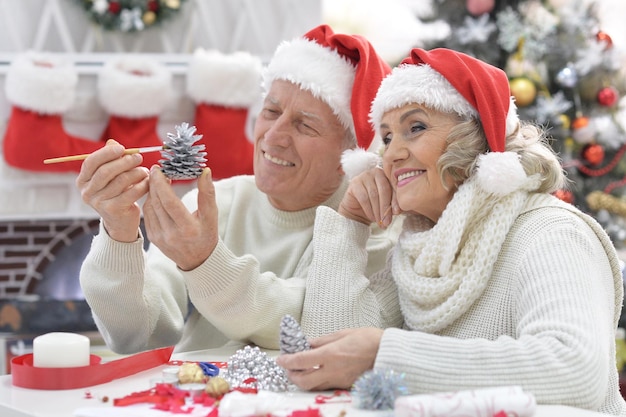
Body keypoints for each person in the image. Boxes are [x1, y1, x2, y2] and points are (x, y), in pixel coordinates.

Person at [276, 48, 626, 415]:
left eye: (416, 127)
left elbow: (574, 371)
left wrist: (387, 356)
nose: (392, 154)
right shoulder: (421, 252)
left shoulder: (551, 233)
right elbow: (329, 354)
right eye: (387, 137)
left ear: (475, 137)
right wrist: (349, 223)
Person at [76, 24, 397, 353]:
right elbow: (135, 335)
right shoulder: (220, 201)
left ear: (351, 153)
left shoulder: (367, 227)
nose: (272, 137)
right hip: (189, 397)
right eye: (271, 111)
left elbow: (310, 325)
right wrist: (118, 234)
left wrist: (203, 261)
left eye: (305, 125)